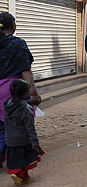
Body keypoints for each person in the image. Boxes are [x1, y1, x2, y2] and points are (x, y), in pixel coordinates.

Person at [0, 12, 41, 167]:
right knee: (16, 128)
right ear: (13, 25)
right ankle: (18, 161)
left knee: (1, 129)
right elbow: (26, 71)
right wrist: (33, 94)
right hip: (11, 91)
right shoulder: (17, 43)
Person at [4, 79, 44, 186]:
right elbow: (30, 129)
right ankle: (18, 175)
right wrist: (35, 143)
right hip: (23, 140)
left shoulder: (7, 105)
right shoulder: (27, 110)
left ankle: (20, 176)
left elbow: (18, 104)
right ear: (25, 93)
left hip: (10, 140)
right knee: (26, 159)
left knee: (16, 160)